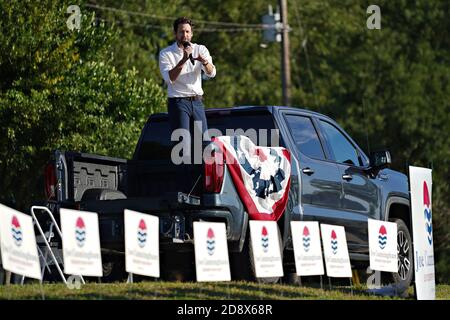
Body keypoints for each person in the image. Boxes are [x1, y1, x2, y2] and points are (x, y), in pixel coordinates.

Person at [159, 17, 216, 164]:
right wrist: (184, 59)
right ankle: (184, 186)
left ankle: (203, 184)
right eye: (181, 32)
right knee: (182, 147)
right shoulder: (166, 53)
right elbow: (169, 78)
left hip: (197, 102)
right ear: (175, 34)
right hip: (178, 102)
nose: (185, 35)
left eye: (187, 32)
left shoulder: (200, 49)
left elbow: (212, 73)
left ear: (192, 33)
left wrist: (204, 62)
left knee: (204, 146)